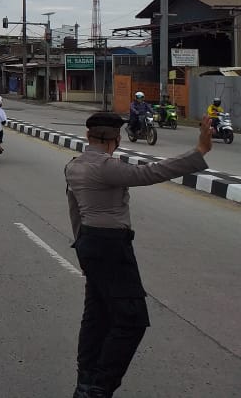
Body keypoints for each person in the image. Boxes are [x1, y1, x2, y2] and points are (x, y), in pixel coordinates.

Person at [65, 112, 213, 398]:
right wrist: (200, 151)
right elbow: (150, 172)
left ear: (88, 136)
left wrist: (82, 252)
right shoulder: (106, 167)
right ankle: (99, 388)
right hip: (111, 247)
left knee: (96, 317)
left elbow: (75, 211)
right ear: (117, 139)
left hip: (90, 245)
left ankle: (85, 382)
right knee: (131, 321)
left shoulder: (74, 166)